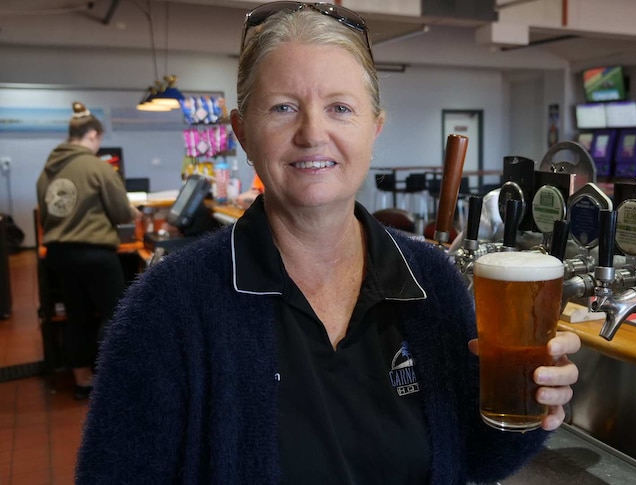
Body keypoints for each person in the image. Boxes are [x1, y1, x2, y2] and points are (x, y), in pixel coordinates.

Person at [76, 3, 580, 483]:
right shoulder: (168, 307)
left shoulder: (432, 283)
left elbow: (476, 459)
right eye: (282, 108)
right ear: (243, 133)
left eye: (340, 108)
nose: (312, 133)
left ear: (374, 130)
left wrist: (531, 408)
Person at [36, 101, 138, 400]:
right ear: (93, 135)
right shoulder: (96, 167)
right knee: (114, 315)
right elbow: (121, 213)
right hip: (95, 254)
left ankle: (83, 382)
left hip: (58, 253)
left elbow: (45, 214)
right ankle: (112, 381)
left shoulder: (48, 169)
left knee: (77, 315)